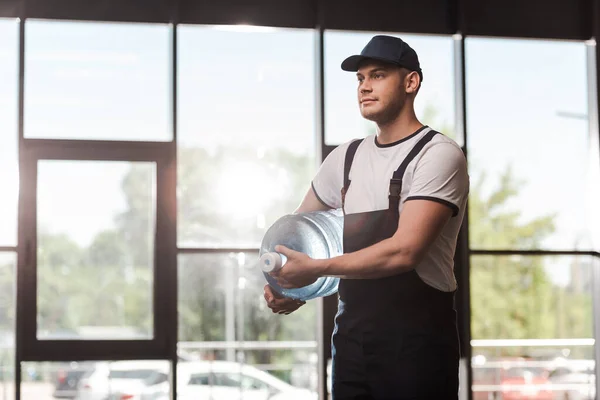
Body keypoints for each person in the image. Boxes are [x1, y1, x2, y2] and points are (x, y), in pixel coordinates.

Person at [263, 35, 470, 399]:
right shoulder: (345, 158)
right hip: (352, 341)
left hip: (418, 346)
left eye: (377, 75)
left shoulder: (438, 155)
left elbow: (404, 252)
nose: (364, 87)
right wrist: (291, 288)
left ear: (410, 82)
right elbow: (294, 235)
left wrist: (315, 268)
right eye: (360, 79)